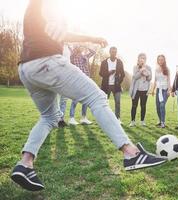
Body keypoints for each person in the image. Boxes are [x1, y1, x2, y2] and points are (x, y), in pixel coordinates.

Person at [11, 0, 166, 192]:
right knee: (97, 98)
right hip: (47, 62)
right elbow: (55, 26)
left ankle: (25, 164)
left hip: (26, 68)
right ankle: (131, 153)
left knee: (49, 117)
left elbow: (54, 32)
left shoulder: (32, 6)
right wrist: (80, 32)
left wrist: (88, 38)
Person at [68, 45, 96, 125]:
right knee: (75, 99)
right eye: (79, 47)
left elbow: (93, 52)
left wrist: (86, 46)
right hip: (77, 79)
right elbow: (71, 51)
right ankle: (71, 118)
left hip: (86, 79)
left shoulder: (85, 56)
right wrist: (77, 46)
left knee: (86, 100)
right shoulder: (73, 57)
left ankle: (83, 118)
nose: (80, 48)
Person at [99, 47, 125, 123]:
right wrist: (109, 73)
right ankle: (104, 119)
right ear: (109, 52)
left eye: (115, 52)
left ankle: (117, 119)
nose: (114, 53)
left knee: (117, 102)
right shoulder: (104, 62)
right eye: (112, 52)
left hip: (116, 86)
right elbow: (100, 73)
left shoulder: (119, 62)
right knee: (104, 103)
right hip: (106, 86)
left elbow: (123, 74)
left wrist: (119, 82)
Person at [129, 53, 152, 126]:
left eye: (144, 58)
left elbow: (149, 78)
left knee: (143, 106)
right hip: (136, 90)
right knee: (134, 105)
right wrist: (141, 71)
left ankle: (142, 121)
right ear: (138, 59)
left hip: (144, 90)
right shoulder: (135, 67)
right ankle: (132, 121)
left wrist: (146, 71)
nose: (142, 59)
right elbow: (135, 77)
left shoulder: (148, 67)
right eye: (141, 58)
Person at [151, 55, 171, 128]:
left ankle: (163, 122)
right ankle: (160, 121)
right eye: (159, 60)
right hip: (158, 89)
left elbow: (169, 80)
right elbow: (155, 80)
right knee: (157, 106)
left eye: (162, 60)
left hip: (165, 90)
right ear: (157, 61)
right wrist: (153, 90)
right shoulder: (156, 69)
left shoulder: (167, 69)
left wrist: (169, 90)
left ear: (164, 60)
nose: (160, 61)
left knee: (162, 105)